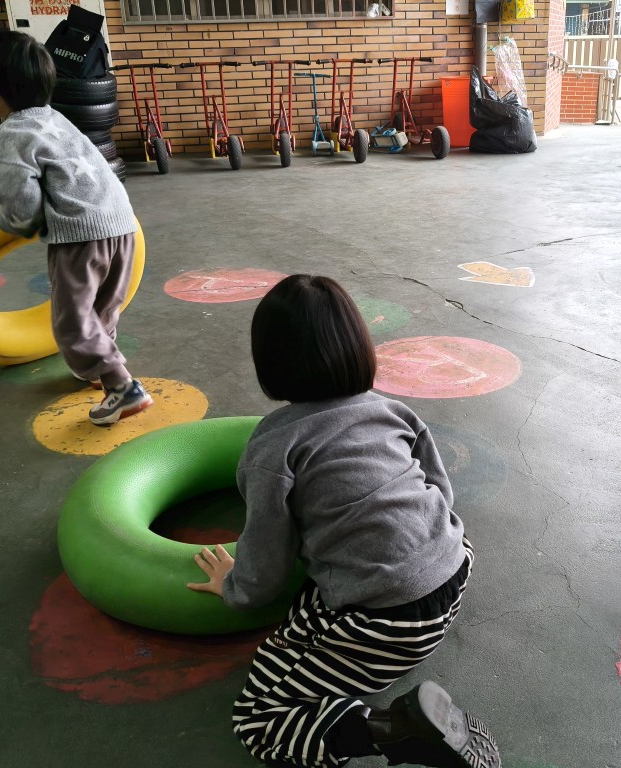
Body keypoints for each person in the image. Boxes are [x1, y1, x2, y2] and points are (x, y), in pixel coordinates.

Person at [188, 274, 500, 768]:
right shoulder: (393, 411)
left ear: (269, 362)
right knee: (319, 604)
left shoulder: (274, 446)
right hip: (453, 571)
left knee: (258, 717)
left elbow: (266, 555)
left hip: (385, 623)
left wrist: (235, 587)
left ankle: (395, 731)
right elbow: (441, 492)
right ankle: (372, 673)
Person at [0, 31, 152, 426]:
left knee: (71, 320)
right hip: (121, 222)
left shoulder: (6, 140)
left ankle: (121, 387)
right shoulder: (56, 119)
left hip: (79, 235)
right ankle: (96, 369)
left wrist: (4, 224)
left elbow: (23, 208)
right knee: (102, 307)